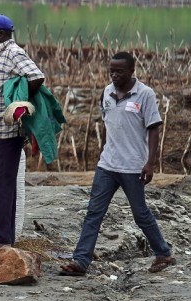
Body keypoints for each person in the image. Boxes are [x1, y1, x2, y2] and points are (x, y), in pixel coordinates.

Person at [60, 52, 174, 276]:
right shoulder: (107, 92)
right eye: (111, 70)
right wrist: (103, 151)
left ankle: (163, 253)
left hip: (133, 166)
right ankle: (80, 261)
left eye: (119, 71)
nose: (114, 75)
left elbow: (153, 128)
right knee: (94, 212)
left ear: (132, 71)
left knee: (140, 214)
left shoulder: (145, 94)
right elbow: (108, 124)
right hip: (107, 165)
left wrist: (150, 163)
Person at [0, 14, 45, 251]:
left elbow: (36, 76)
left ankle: (1, 239)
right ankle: (4, 237)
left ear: (1, 34)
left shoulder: (13, 52)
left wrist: (18, 102)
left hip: (2, 134)